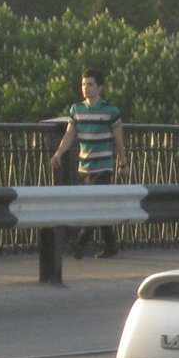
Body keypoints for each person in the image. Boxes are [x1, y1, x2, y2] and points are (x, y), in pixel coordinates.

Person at [49, 68, 128, 258]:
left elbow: (118, 141)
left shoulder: (110, 111)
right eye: (84, 84)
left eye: (90, 84)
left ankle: (80, 243)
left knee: (95, 205)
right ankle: (111, 246)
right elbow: (69, 134)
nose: (86, 88)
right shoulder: (76, 110)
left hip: (103, 166)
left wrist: (123, 163)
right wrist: (58, 153)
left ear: (100, 87)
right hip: (84, 167)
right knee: (100, 207)